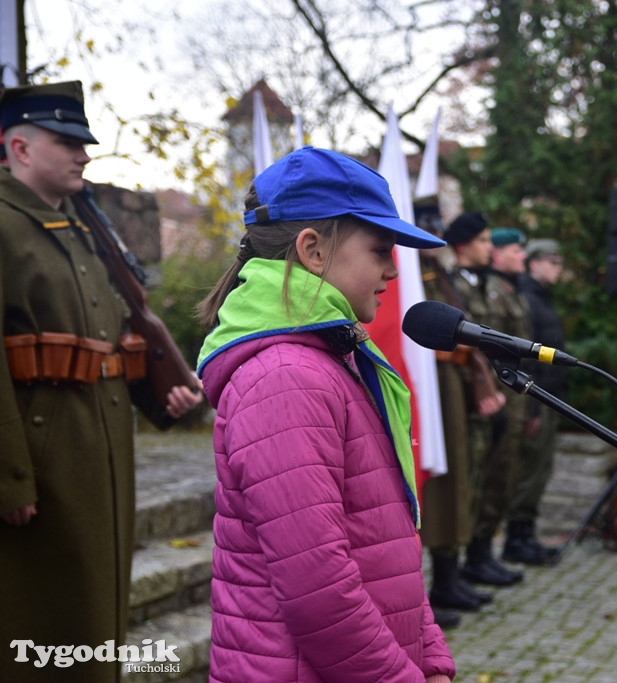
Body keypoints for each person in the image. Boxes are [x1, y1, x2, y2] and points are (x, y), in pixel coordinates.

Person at [195, 147, 455, 682]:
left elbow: (389, 548)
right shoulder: (284, 379)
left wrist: (431, 660)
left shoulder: (330, 360)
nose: (392, 270)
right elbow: (320, 589)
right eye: (381, 250)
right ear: (313, 251)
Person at [0, 81, 202, 682]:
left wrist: (159, 393)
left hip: (97, 454)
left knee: (93, 623)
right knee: (40, 631)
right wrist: (9, 477)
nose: (84, 154)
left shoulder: (81, 229)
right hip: (41, 462)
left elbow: (108, 337)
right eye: (66, 142)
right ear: (19, 147)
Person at [418, 219, 503, 619]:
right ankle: (444, 579)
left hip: (453, 381)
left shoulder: (441, 274)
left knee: (463, 475)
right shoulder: (422, 274)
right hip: (433, 380)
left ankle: (451, 576)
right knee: (445, 479)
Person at [444, 213, 523, 586]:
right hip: (470, 395)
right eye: (482, 240)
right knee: (469, 479)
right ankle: (456, 566)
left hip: (498, 393)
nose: (489, 248)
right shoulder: (450, 287)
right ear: (462, 246)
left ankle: (479, 553)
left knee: (494, 478)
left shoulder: (491, 285)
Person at [504, 238, 567, 565]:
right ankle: (517, 538)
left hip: (549, 398)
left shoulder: (539, 299)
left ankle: (525, 534)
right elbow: (527, 360)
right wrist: (533, 406)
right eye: (552, 261)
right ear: (534, 263)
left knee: (539, 469)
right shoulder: (528, 299)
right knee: (530, 470)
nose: (558, 268)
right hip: (537, 398)